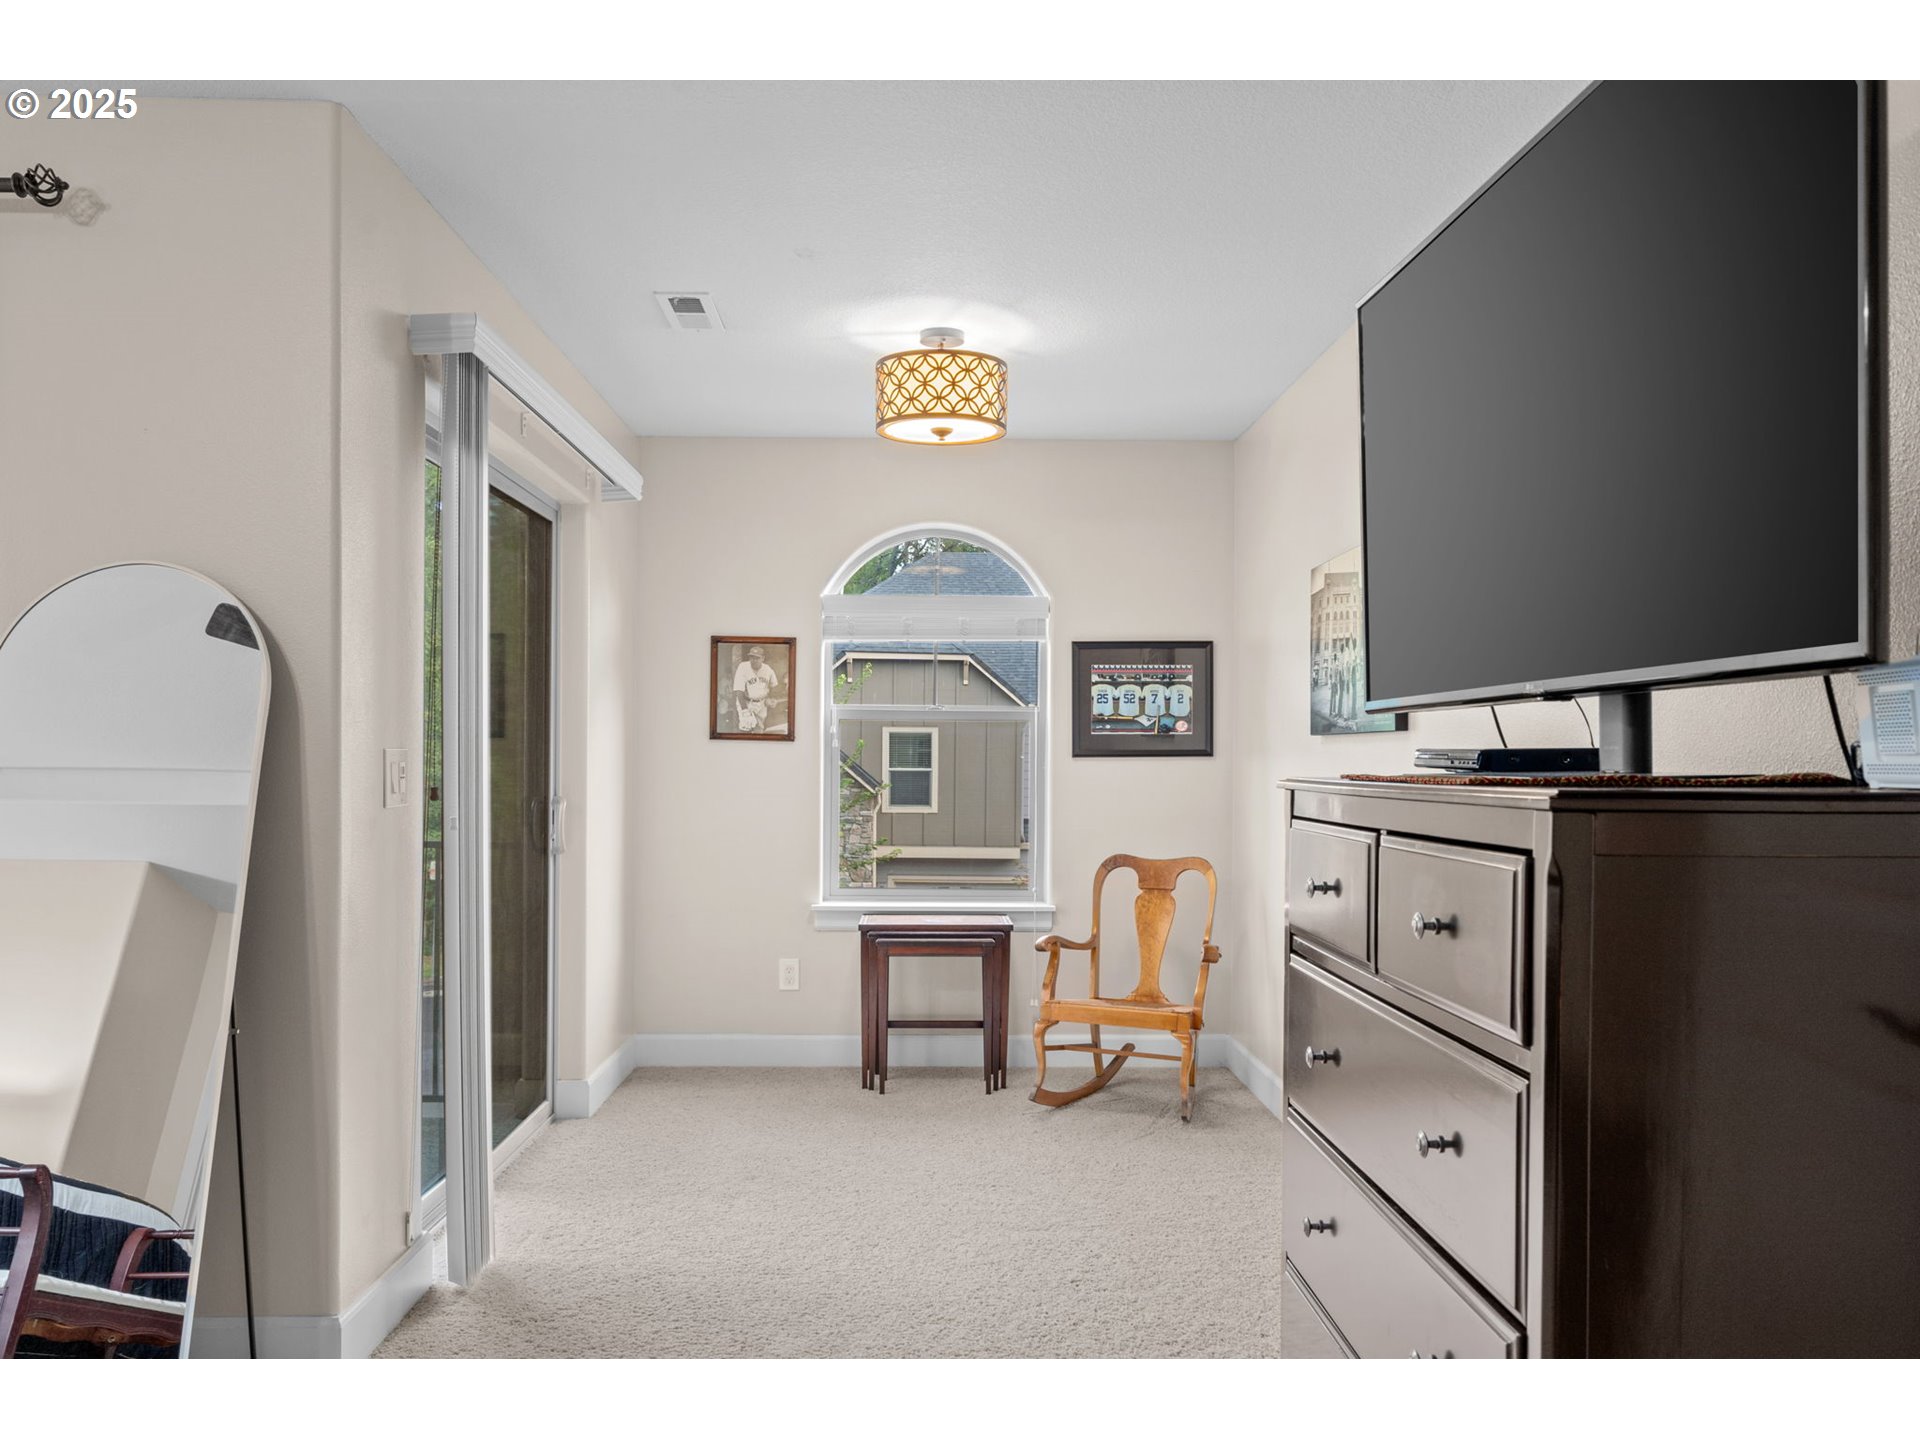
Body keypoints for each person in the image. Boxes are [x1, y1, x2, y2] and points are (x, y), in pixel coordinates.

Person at [731, 644, 780, 732]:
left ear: (763, 658)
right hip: (746, 702)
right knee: (745, 729)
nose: (754, 660)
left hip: (761, 704)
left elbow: (774, 686)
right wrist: (745, 711)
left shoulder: (768, 669)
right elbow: (739, 690)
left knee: (759, 730)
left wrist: (771, 698)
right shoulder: (743, 667)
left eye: (757, 658)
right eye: (752, 657)